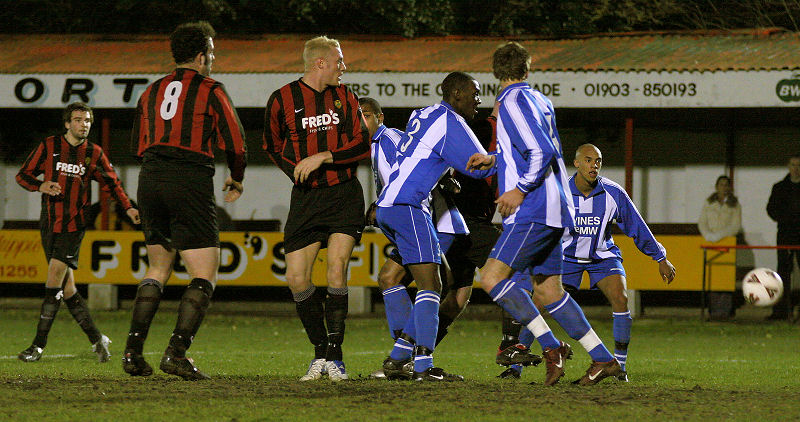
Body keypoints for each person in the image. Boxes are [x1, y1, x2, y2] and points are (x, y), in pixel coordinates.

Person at [479, 41, 625, 386]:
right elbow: (541, 149)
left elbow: (541, 151)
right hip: (558, 205)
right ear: (527, 70)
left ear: (495, 71)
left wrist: (519, 189)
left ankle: (550, 346)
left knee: (491, 278)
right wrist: (495, 160)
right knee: (548, 292)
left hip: (536, 207)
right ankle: (603, 358)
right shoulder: (539, 100)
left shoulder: (510, 102)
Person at [124, 21, 247, 380]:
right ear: (200, 55)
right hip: (188, 178)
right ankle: (176, 353)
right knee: (204, 273)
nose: (213, 58)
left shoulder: (150, 91)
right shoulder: (211, 89)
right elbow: (236, 143)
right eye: (211, 52)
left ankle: (132, 353)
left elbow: (136, 146)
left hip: (150, 177)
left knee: (157, 269)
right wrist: (236, 175)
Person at [501, 144, 676, 380]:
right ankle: (515, 368)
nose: (594, 165)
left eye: (598, 161)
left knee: (621, 298)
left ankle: (619, 368)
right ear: (576, 163)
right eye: (588, 160)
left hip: (601, 257)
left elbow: (637, 225)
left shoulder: (613, 193)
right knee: (537, 305)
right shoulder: (559, 192)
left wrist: (660, 257)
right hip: (566, 259)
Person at [376, 72, 497, 381]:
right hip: (409, 206)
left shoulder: (424, 113)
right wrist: (513, 158)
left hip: (389, 206)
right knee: (433, 285)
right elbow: (479, 167)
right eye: (474, 94)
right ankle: (422, 367)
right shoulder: (452, 122)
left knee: (423, 279)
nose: (478, 101)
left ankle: (398, 358)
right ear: (457, 94)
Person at [263, 35, 370, 381]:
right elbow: (272, 145)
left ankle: (335, 358)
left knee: (336, 270)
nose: (344, 67)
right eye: (340, 61)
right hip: (307, 199)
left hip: (343, 195)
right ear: (321, 63)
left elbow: (362, 144)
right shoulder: (282, 99)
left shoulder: (347, 97)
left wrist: (324, 156)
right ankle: (321, 351)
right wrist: (297, 169)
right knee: (296, 280)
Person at [15, 101, 140, 363]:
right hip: (49, 223)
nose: (83, 125)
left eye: (87, 121)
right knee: (68, 288)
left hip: (74, 225)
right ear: (67, 123)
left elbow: (112, 183)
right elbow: (23, 175)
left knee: (53, 281)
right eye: (78, 120)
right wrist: (41, 186)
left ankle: (37, 346)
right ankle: (98, 339)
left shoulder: (93, 153)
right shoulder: (49, 146)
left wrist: (128, 207)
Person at [360, 96, 474, 380]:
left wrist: (445, 178)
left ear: (379, 117)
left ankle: (410, 359)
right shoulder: (375, 147)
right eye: (355, 117)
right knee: (395, 279)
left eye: (365, 115)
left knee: (429, 284)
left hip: (434, 221)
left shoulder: (390, 140)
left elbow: (419, 164)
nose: (360, 122)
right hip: (417, 219)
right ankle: (404, 357)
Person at [698, 174, 741, 321]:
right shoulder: (709, 203)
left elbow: (735, 226)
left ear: (729, 188)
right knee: (713, 277)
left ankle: (725, 311)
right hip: (711, 243)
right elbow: (702, 222)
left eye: (726, 185)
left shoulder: (734, 204)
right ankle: (713, 311)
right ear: (716, 187)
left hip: (727, 243)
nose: (723, 187)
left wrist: (720, 236)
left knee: (725, 276)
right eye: (721, 184)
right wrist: (708, 235)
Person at [766, 154, 800, 321]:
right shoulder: (779, 187)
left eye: (799, 165)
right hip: (785, 234)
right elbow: (771, 209)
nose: (796, 168)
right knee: (782, 274)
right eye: (793, 165)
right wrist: (785, 219)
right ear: (788, 166)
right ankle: (781, 311)